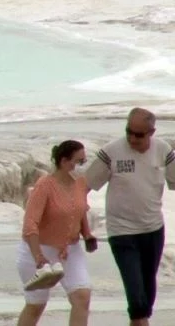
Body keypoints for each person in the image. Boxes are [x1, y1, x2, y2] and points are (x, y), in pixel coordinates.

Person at [84, 107, 175, 326]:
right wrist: (80, 228)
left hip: (153, 230)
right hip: (122, 231)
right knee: (136, 297)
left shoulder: (163, 150)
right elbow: (83, 186)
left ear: (151, 132)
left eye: (139, 134)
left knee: (146, 294)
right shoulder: (111, 152)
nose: (132, 138)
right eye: (128, 132)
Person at [17, 140, 98, 326]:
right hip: (38, 250)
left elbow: (79, 210)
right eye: (79, 161)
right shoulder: (44, 185)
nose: (82, 166)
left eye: (84, 161)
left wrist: (87, 235)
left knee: (82, 296)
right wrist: (38, 256)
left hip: (70, 250)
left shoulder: (80, 183)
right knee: (36, 305)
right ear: (64, 161)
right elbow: (30, 224)